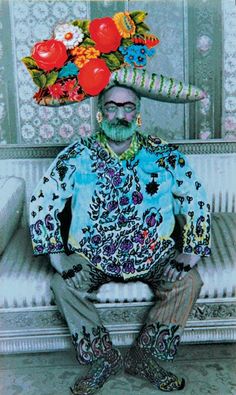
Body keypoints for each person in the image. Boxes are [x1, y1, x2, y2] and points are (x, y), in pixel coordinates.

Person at [26, 10, 211, 395]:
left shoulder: (164, 155)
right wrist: (59, 259)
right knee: (62, 286)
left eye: (128, 107)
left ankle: (146, 356)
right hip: (91, 256)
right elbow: (43, 202)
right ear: (100, 113)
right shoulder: (76, 156)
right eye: (112, 106)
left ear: (138, 115)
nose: (120, 114)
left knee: (189, 281)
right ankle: (104, 358)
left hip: (153, 254)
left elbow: (194, 198)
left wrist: (191, 252)